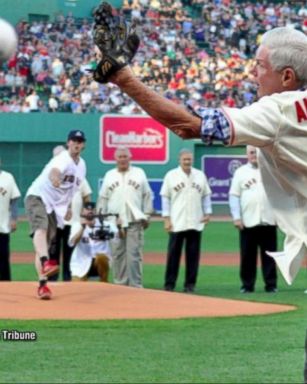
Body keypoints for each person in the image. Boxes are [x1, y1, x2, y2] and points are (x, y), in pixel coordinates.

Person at [99, 26, 307, 286]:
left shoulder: (278, 111)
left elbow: (187, 126)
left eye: (260, 66)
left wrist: (124, 78)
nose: (253, 72)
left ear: (287, 77)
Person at [24, 130, 86, 299]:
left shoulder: (82, 166)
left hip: (54, 206)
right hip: (38, 196)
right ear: (68, 143)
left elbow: (74, 189)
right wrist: (55, 178)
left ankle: (43, 286)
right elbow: (55, 172)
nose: (77, 143)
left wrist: (69, 207)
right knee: (41, 228)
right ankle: (46, 262)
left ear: (83, 145)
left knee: (43, 244)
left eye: (80, 141)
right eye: (74, 140)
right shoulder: (62, 158)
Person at [97, 146, 153, 288]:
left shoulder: (139, 173)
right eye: (119, 157)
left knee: (134, 256)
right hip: (114, 223)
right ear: (115, 158)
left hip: (134, 221)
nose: (122, 159)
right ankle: (120, 285)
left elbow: (147, 195)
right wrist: (102, 220)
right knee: (117, 255)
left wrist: (147, 215)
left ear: (130, 157)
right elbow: (103, 198)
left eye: (124, 156)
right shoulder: (109, 175)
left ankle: (135, 286)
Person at [160, 148, 212, 293]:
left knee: (193, 256)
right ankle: (169, 284)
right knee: (173, 256)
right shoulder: (171, 175)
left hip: (196, 221)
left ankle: (190, 284)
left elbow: (206, 195)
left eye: (189, 159)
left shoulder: (200, 175)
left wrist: (208, 212)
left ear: (192, 160)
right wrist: (166, 219)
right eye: (185, 159)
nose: (187, 162)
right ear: (179, 160)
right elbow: (165, 198)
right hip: (177, 221)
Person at [229, 145, 277, 293]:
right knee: (247, 256)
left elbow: (279, 195)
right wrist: (237, 217)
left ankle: (271, 285)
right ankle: (247, 285)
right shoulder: (240, 172)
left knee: (270, 256)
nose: (253, 155)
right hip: (248, 221)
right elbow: (234, 196)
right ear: (246, 155)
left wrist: (280, 217)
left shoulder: (271, 170)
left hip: (268, 220)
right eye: (251, 152)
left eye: (256, 152)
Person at [49, 144, 92, 281]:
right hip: (55, 222)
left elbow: (87, 196)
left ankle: (68, 282)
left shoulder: (78, 175)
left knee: (70, 255)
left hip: (72, 223)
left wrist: (86, 213)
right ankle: (52, 281)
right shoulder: (49, 177)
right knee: (53, 255)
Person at [69, 201, 118, 282]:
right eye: (87, 209)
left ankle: (103, 281)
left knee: (101, 258)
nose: (90, 211)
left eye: (92, 209)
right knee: (77, 286)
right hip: (81, 263)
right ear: (82, 211)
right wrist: (82, 228)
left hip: (99, 262)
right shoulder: (77, 225)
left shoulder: (105, 225)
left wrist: (120, 227)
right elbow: (72, 243)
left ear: (95, 211)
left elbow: (119, 237)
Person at [0, 160, 21, 281]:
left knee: (3, 259)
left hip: (2, 226)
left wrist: (14, 218)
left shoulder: (8, 177)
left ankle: (7, 287)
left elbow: (14, 200)